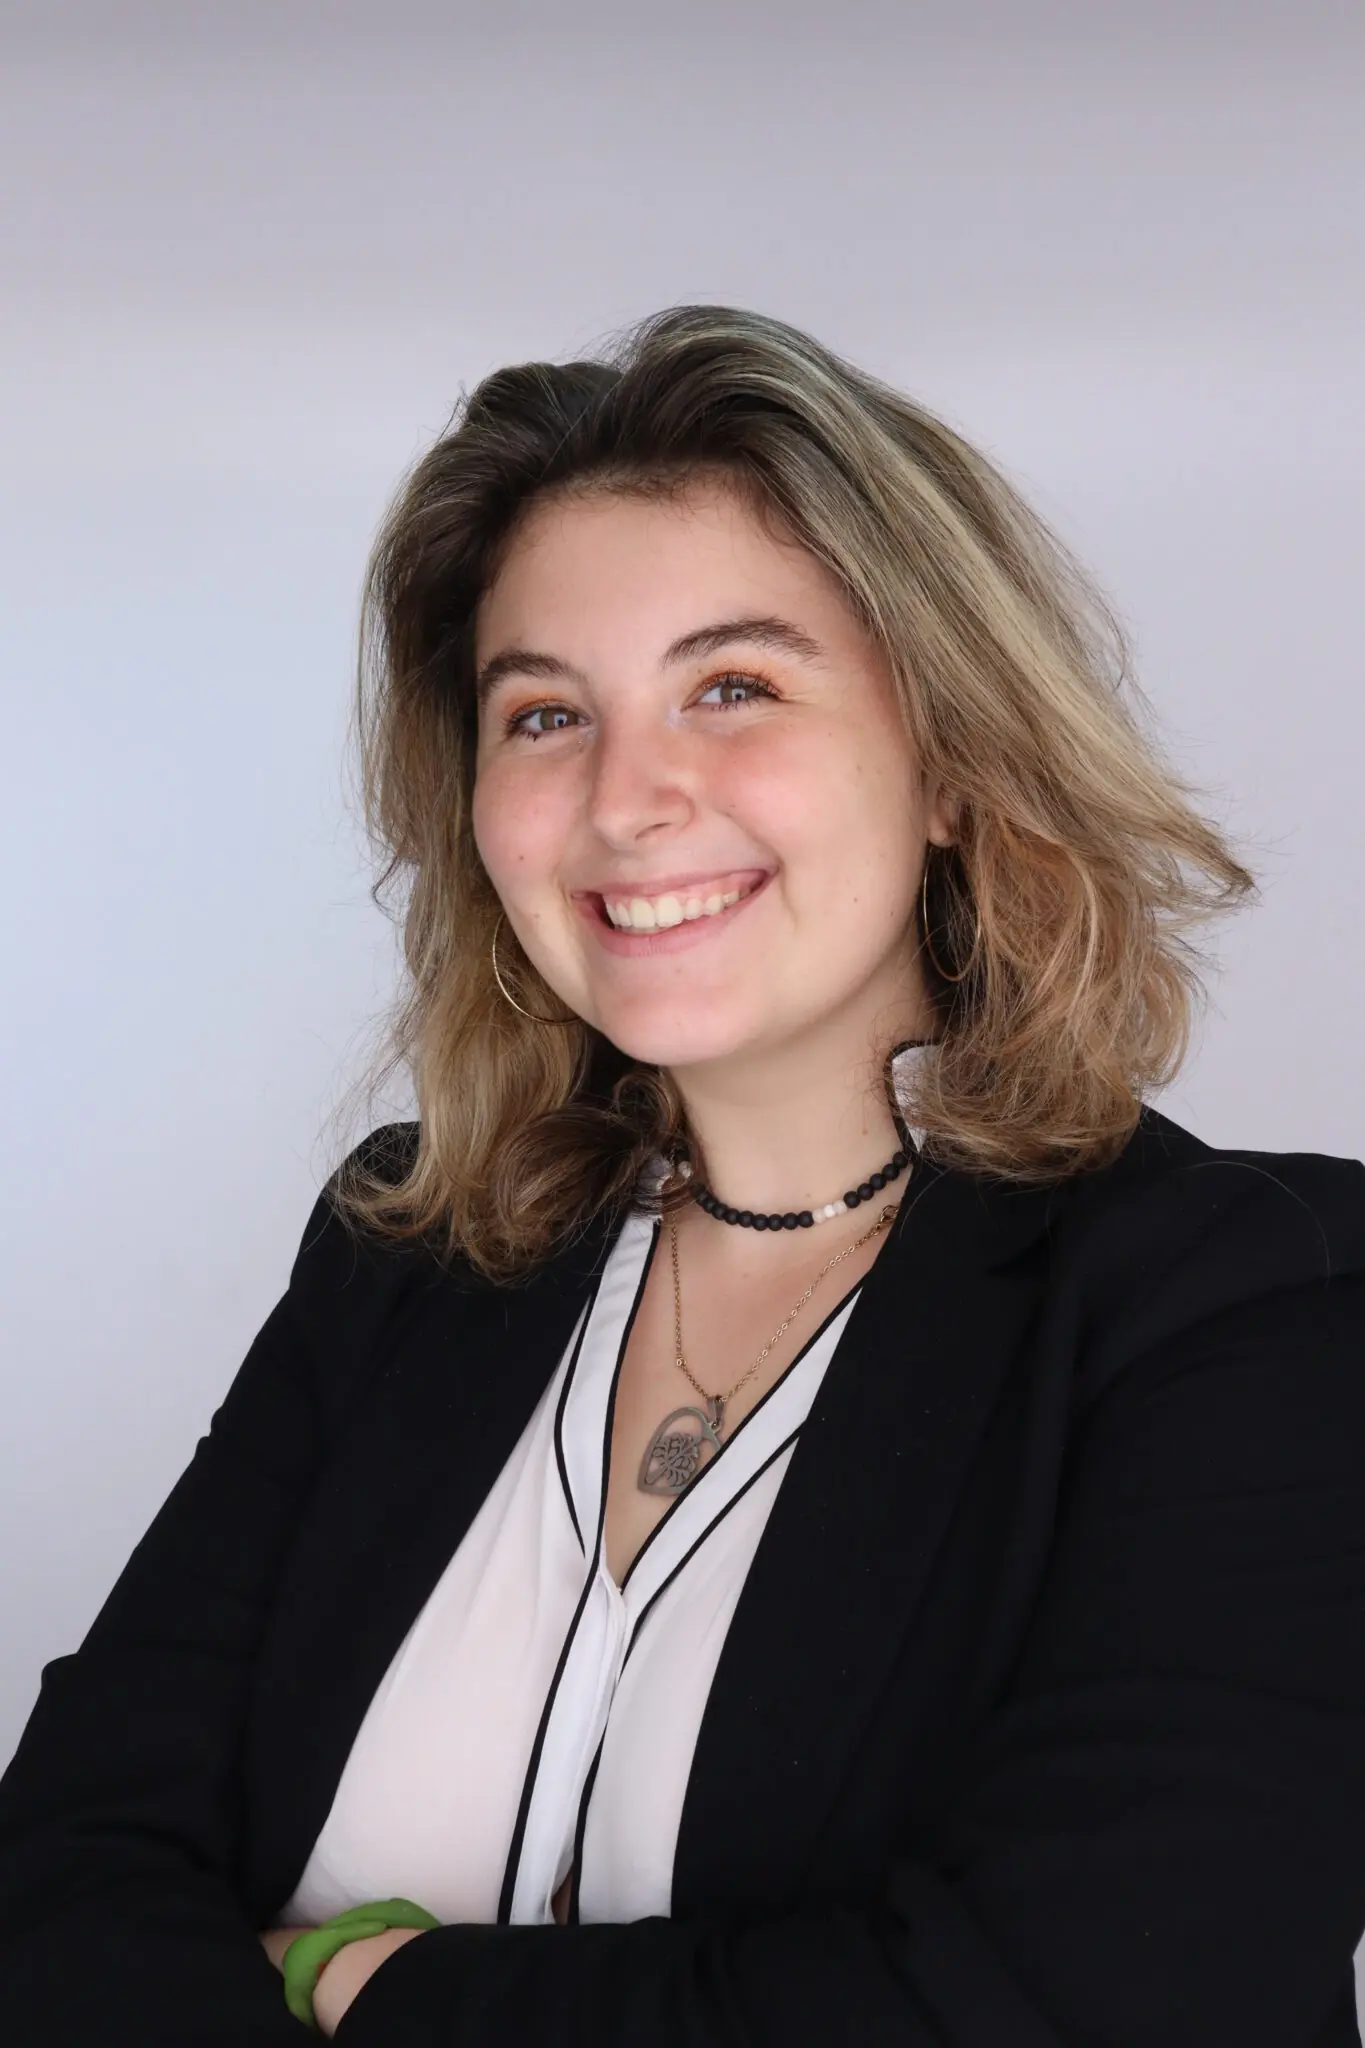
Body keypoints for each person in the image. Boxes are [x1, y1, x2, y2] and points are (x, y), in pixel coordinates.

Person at [2, 303, 1363, 2047]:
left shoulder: (1247, 1306)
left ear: (952, 764)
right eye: (543, 713)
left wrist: (355, 1976)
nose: (626, 799)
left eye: (734, 687)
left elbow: (1084, 2007)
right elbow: (56, 1879)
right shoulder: (404, 1255)